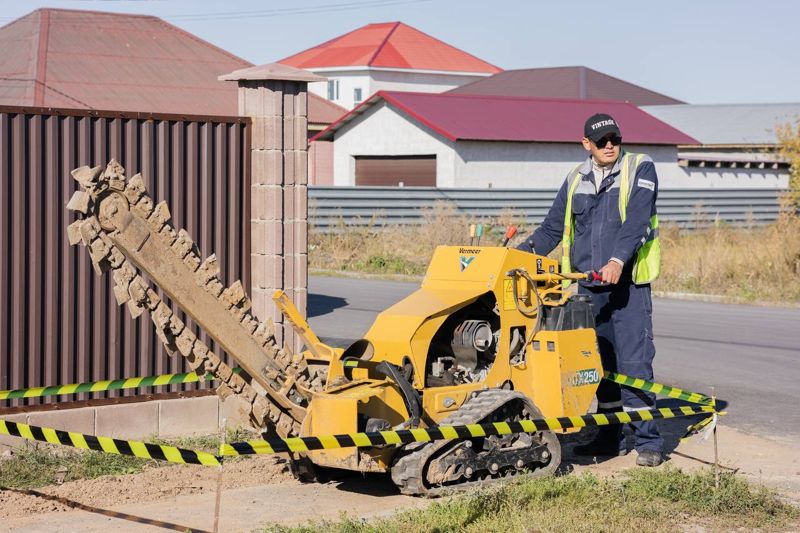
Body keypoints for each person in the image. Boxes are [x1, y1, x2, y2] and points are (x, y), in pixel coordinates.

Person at [517, 113, 664, 466]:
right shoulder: (575, 179)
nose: (609, 145)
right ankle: (609, 435)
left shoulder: (639, 168)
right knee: (596, 364)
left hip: (627, 286)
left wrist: (616, 261)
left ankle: (648, 441)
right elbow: (552, 230)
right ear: (587, 144)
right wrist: (510, 258)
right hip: (586, 289)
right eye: (601, 141)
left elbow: (637, 222)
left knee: (633, 363)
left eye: (614, 138)